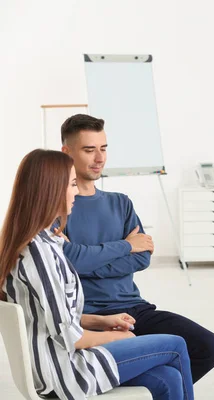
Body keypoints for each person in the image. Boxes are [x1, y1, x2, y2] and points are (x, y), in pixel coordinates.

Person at [0, 149, 194, 400]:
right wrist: (115, 336)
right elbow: (68, 336)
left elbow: (51, 317)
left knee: (168, 378)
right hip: (64, 371)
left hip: (62, 360)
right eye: (71, 184)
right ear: (51, 191)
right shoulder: (38, 253)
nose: (77, 192)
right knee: (176, 345)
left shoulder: (43, 242)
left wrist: (101, 321)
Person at [58, 114, 214, 383]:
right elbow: (70, 263)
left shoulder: (120, 203)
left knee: (208, 346)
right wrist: (125, 246)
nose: (99, 158)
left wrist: (89, 259)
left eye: (104, 148)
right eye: (89, 150)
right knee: (165, 375)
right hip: (88, 317)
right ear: (67, 152)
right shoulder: (60, 207)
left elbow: (142, 258)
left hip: (135, 309)